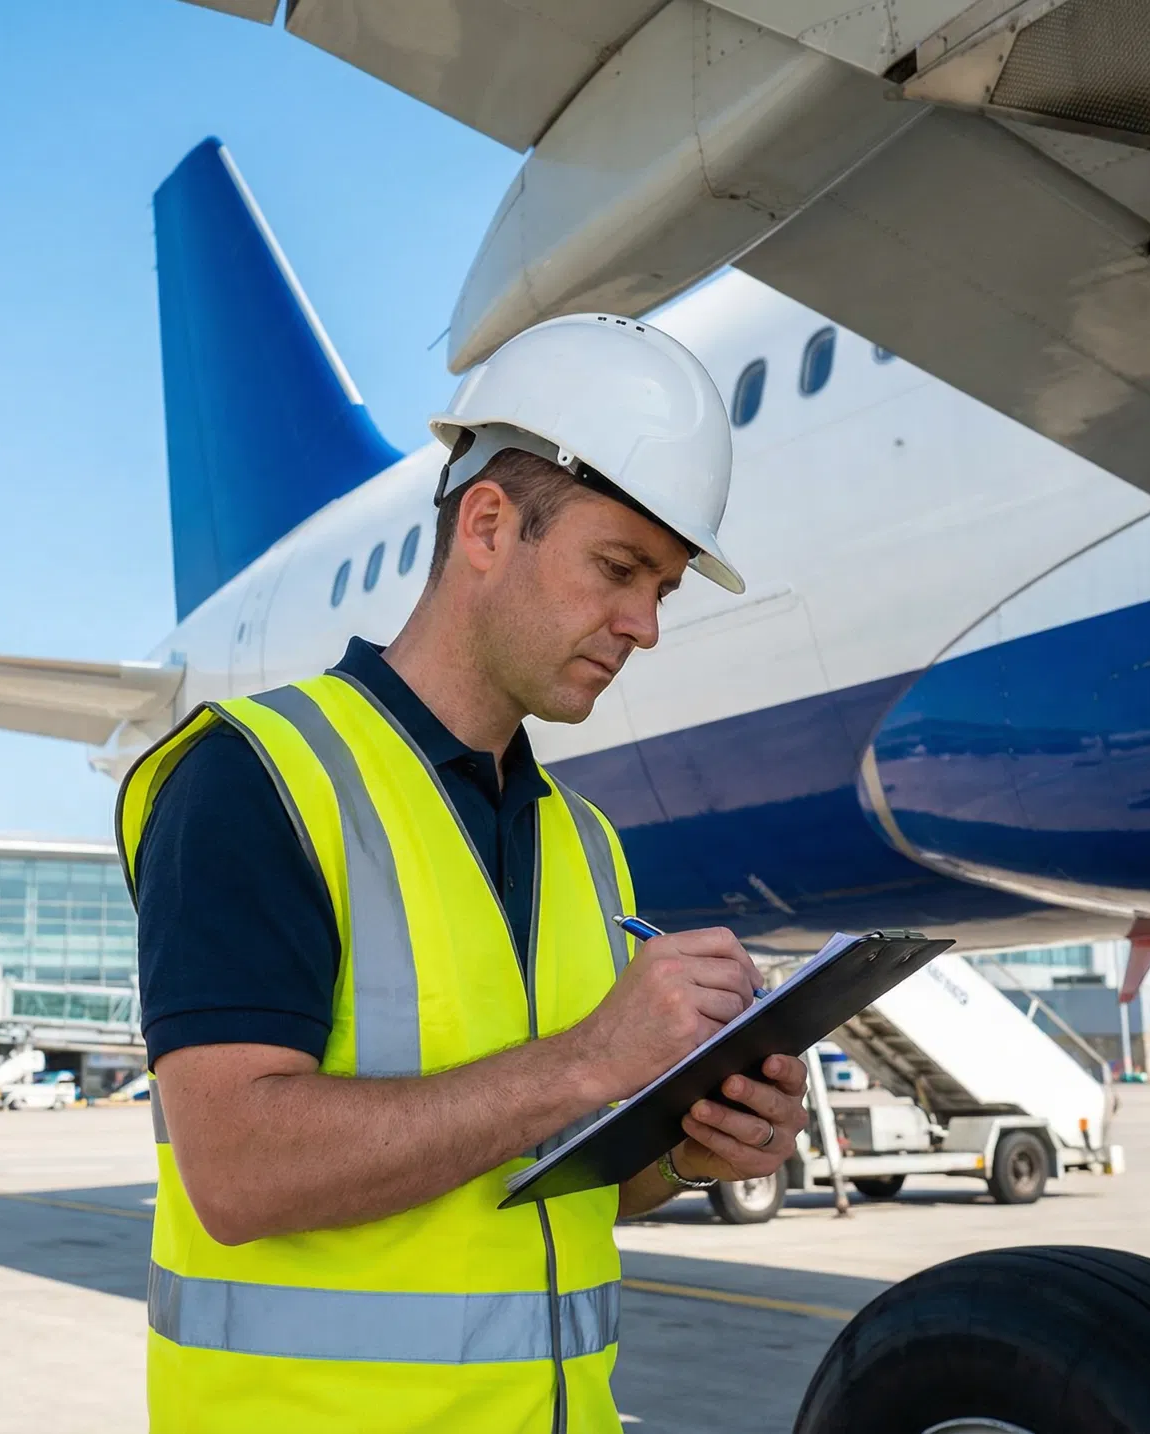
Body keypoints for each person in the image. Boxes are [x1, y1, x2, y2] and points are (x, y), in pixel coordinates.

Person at [117, 312, 811, 1433]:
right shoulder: (254, 778)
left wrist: (687, 1147)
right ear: (487, 525)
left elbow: (561, 1178)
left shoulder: (581, 841)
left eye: (663, 590)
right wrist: (588, 1059)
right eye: (619, 569)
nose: (642, 625)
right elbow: (237, 1172)